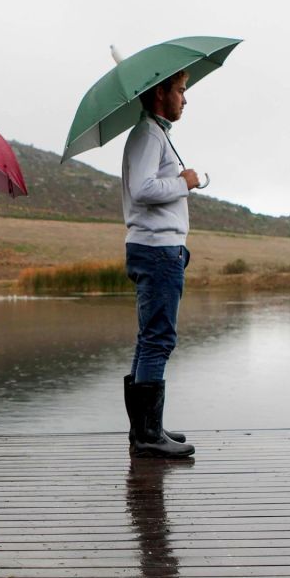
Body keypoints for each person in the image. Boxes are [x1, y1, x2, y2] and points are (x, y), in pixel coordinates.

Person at [121, 70, 199, 458]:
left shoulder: (153, 133)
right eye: (181, 90)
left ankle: (145, 430)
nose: (185, 99)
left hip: (156, 249)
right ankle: (148, 436)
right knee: (158, 339)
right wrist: (184, 182)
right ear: (160, 93)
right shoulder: (149, 134)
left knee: (149, 338)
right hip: (157, 251)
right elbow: (144, 189)